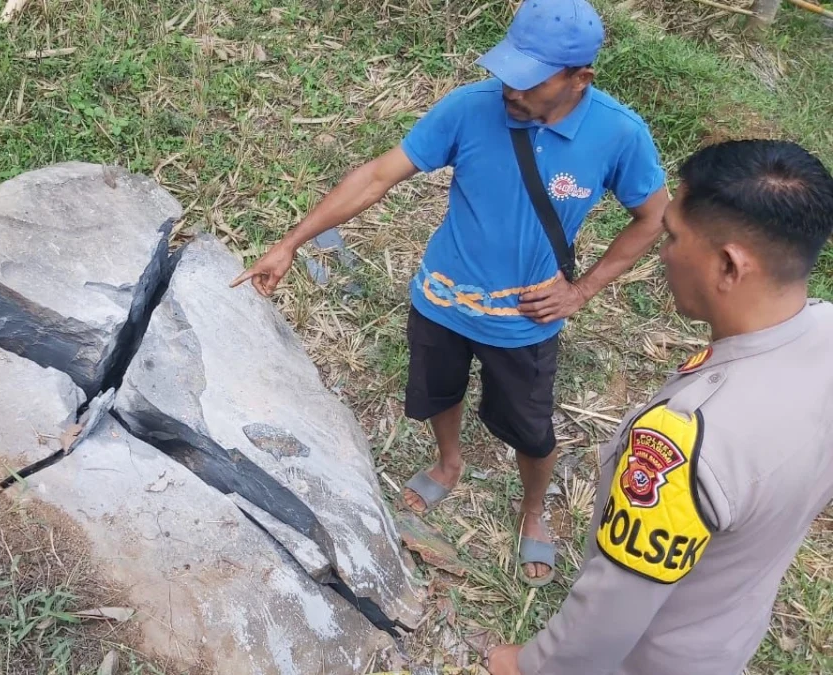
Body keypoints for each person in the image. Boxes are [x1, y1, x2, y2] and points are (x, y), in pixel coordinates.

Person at [230, 0, 669, 585]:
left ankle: (533, 509)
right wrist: (290, 243)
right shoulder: (471, 107)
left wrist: (581, 290)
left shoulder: (619, 134)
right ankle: (449, 462)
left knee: (531, 431)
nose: (511, 90)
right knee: (438, 394)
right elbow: (378, 175)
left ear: (579, 78)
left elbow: (652, 217)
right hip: (440, 301)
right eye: (508, 71)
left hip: (524, 321)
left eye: (530, 80)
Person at [483, 138, 833, 675]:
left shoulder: (689, 438)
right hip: (727, 638)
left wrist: (529, 665)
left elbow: (610, 614)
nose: (662, 252)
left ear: (729, 266)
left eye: (671, 235)